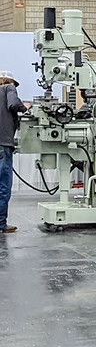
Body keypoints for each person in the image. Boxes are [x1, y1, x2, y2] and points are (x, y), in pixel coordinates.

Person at [0, 71, 29, 234]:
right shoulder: (8, 88)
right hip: (2, 145)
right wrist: (25, 108)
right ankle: (1, 224)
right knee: (3, 186)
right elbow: (13, 104)